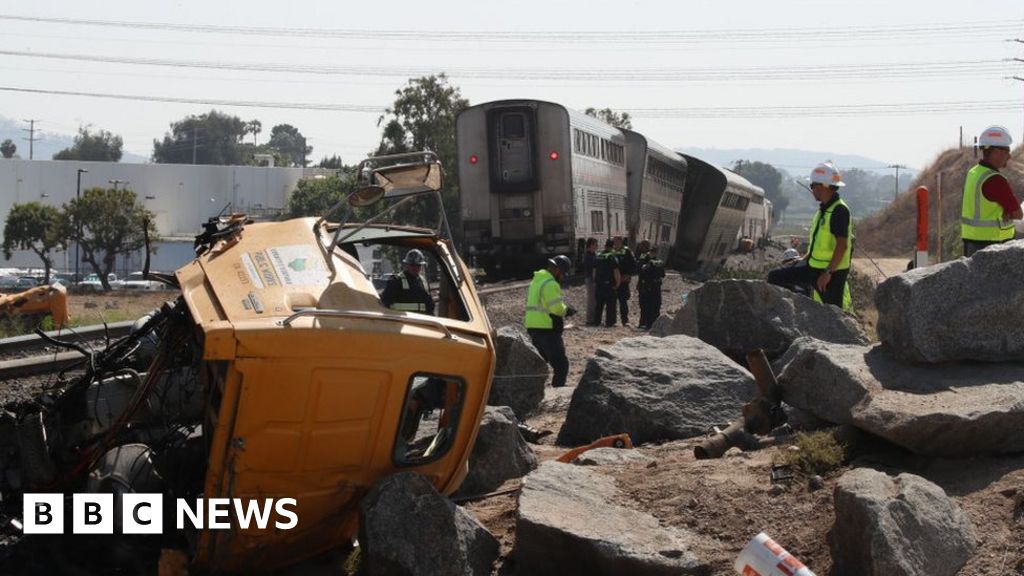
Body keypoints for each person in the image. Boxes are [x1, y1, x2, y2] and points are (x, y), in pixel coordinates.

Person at [767, 162, 852, 309]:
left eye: (813, 185)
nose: (811, 189)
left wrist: (828, 272)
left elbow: (842, 245)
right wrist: (803, 259)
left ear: (823, 186)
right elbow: (818, 244)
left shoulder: (839, 210)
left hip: (831, 274)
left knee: (833, 314)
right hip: (813, 268)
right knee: (774, 277)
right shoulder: (824, 210)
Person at [961, 125, 1023, 257]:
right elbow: (1018, 214)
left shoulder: (974, 173)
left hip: (971, 242)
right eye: (1007, 150)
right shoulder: (995, 180)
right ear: (996, 151)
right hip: (993, 246)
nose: (1009, 156)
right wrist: (1009, 213)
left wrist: (1008, 211)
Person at [524, 255, 575, 388]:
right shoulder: (550, 284)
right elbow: (556, 308)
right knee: (561, 365)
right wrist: (567, 310)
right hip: (547, 327)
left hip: (533, 326)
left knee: (540, 362)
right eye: (563, 273)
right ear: (558, 270)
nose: (563, 277)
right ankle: (558, 393)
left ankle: (530, 391)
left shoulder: (537, 281)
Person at [381, 248, 435, 315]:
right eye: (412, 265)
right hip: (402, 321)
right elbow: (385, 302)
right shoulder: (396, 280)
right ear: (406, 265)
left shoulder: (423, 281)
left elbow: (430, 305)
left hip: (421, 321)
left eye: (418, 265)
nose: (415, 268)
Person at [635, 240, 665, 330]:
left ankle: (649, 323)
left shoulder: (653, 260)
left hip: (651, 287)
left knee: (650, 305)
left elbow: (642, 271)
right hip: (648, 286)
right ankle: (645, 322)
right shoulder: (647, 259)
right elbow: (640, 271)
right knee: (647, 305)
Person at [593, 239, 621, 327]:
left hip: (599, 284)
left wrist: (595, 280)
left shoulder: (598, 255)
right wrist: (618, 283)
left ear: (605, 246)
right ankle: (610, 322)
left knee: (599, 305)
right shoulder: (612, 256)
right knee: (611, 305)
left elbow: (594, 270)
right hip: (609, 284)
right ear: (612, 247)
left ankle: (597, 321)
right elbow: (616, 271)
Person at [611, 236, 636, 327]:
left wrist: (628, 275)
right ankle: (612, 320)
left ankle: (624, 320)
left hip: (623, 280)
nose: (616, 243)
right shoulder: (611, 251)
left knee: (623, 301)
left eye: (617, 241)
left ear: (621, 242)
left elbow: (633, 264)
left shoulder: (627, 251)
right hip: (613, 280)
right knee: (612, 301)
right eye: (614, 242)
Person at [582, 237, 599, 326]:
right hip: (591, 279)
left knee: (594, 299)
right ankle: (590, 319)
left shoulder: (592, 254)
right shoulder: (588, 255)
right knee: (591, 300)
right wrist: (594, 280)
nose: (597, 246)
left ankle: (594, 317)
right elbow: (593, 269)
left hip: (591, 279)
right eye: (595, 244)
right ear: (591, 244)